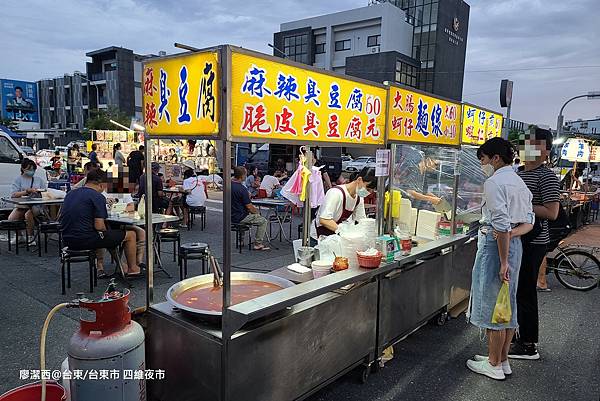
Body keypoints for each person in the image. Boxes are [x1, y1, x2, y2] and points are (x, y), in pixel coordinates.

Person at [466, 137, 534, 380]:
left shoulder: (495, 182)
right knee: (507, 303)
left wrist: (503, 261)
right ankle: (502, 360)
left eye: (483, 159)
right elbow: (528, 222)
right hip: (514, 244)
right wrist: (512, 235)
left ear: (495, 158)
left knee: (494, 305)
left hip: (497, 248)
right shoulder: (519, 182)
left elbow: (501, 224)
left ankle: (493, 364)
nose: (483, 164)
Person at [510, 128, 560, 360]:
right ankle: (517, 336)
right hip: (517, 237)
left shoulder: (546, 176)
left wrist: (521, 206)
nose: (527, 148)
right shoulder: (517, 172)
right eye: (524, 143)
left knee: (525, 291)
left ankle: (529, 344)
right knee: (516, 290)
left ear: (546, 151)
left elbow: (552, 212)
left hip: (534, 241)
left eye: (535, 145)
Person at [60, 169, 142, 276]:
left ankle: (119, 265)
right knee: (131, 235)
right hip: (86, 239)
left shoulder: (70, 194)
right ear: (101, 184)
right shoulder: (97, 196)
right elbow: (99, 226)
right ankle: (133, 268)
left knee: (111, 235)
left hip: (66, 239)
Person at [310, 167, 377, 243]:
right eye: (367, 189)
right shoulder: (336, 193)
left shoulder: (358, 198)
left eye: (371, 191)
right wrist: (344, 231)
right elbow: (324, 219)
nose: (369, 193)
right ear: (359, 180)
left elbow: (361, 221)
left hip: (334, 238)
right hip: (318, 238)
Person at [8, 158, 48, 241]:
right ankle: (19, 236)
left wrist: (39, 193)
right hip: (22, 205)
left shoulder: (39, 180)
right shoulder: (18, 180)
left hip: (36, 205)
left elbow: (45, 192)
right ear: (23, 169)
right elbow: (14, 194)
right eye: (29, 169)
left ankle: (31, 237)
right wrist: (26, 191)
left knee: (28, 215)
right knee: (11, 219)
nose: (32, 171)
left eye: (33, 169)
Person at [231, 166, 270, 251]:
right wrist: (256, 213)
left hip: (230, 215)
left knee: (246, 216)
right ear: (242, 176)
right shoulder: (242, 189)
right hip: (240, 217)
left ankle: (240, 241)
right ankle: (258, 243)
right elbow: (249, 206)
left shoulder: (229, 185)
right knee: (263, 221)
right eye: (245, 174)